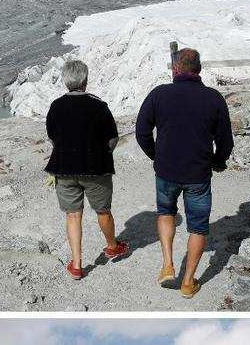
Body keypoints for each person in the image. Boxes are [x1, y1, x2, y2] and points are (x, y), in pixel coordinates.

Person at [135, 48, 234, 298]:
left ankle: (168, 264)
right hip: (198, 174)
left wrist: (156, 156)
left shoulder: (159, 94)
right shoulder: (213, 98)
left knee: (166, 212)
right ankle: (188, 282)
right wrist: (217, 161)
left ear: (175, 69)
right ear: (198, 70)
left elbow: (141, 132)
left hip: (166, 171)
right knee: (198, 227)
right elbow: (225, 141)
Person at [45, 60, 130, 280]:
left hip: (64, 169)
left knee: (73, 215)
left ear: (65, 81)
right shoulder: (98, 106)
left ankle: (77, 264)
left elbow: (52, 137)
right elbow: (112, 139)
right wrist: (103, 154)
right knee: (103, 211)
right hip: (96, 169)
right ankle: (112, 246)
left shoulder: (55, 106)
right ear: (85, 80)